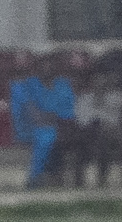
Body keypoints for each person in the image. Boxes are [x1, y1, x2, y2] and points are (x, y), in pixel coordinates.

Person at [10, 56, 75, 188]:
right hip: (30, 127)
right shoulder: (27, 86)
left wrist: (52, 118)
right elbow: (32, 114)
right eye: (43, 67)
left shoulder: (64, 85)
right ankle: (34, 177)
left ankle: (54, 178)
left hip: (60, 126)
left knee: (53, 133)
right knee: (46, 136)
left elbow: (68, 112)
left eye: (50, 67)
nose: (47, 70)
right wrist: (47, 118)